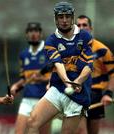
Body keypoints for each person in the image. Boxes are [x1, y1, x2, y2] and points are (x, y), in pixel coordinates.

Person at [26, 2, 94, 134]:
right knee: (32, 122)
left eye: (67, 16)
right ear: (56, 19)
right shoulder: (51, 41)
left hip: (79, 95)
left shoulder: (85, 37)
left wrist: (78, 82)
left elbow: (88, 66)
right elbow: (58, 64)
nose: (64, 20)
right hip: (57, 89)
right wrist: (67, 82)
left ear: (72, 17)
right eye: (60, 17)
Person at [10, 22, 51, 134]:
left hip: (45, 100)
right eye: (30, 31)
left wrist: (41, 79)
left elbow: (57, 76)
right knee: (19, 132)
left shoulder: (48, 51)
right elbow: (24, 78)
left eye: (36, 31)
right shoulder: (24, 55)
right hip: (27, 99)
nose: (33, 34)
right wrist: (16, 86)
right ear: (26, 34)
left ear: (41, 34)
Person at [76, 15, 114, 134]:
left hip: (95, 96)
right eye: (78, 25)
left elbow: (113, 74)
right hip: (78, 95)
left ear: (90, 28)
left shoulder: (102, 50)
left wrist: (108, 93)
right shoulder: (71, 49)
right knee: (80, 131)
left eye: (84, 25)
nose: (81, 28)